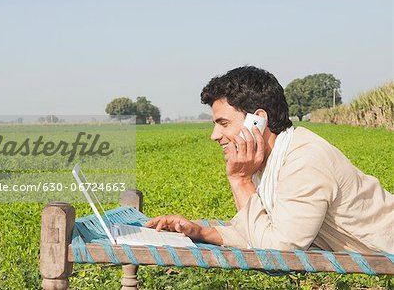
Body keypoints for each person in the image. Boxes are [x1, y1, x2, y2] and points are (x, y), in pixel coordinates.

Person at [145, 66, 394, 253]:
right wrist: (199, 232)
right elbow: (261, 232)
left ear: (258, 120)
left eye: (223, 123)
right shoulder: (271, 159)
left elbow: (279, 251)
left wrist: (240, 181)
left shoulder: (304, 160)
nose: (214, 136)